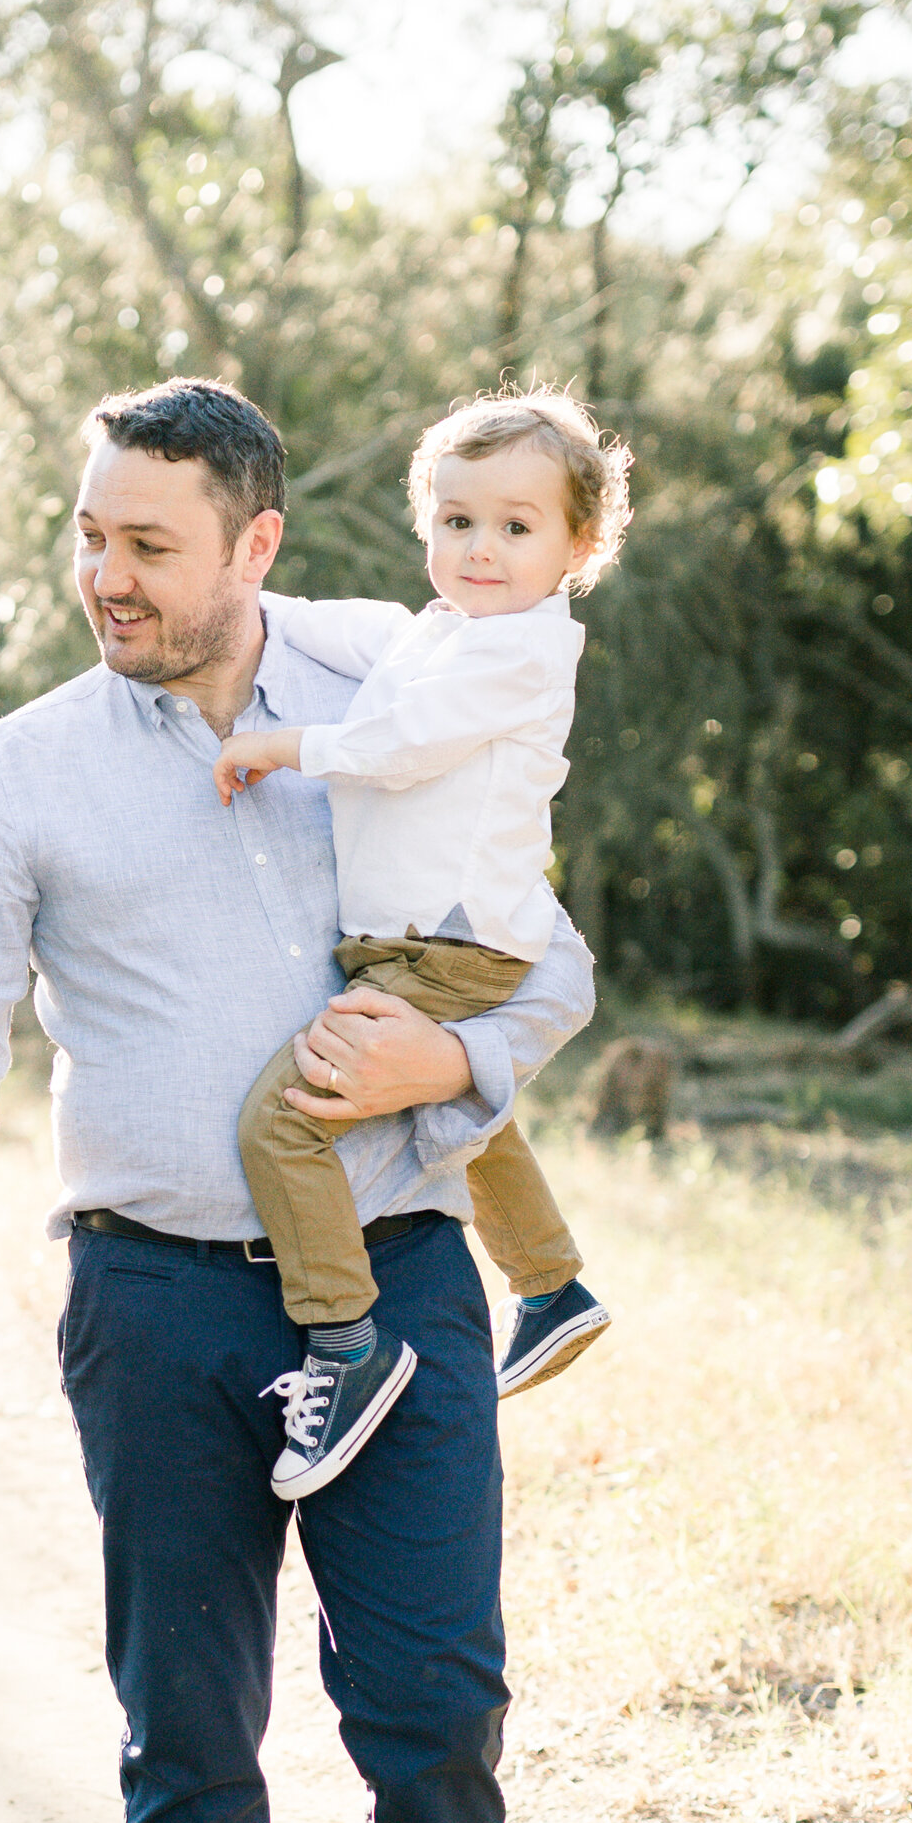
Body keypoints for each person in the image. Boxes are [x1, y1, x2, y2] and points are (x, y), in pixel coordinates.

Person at [0, 377, 591, 1823]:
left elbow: (547, 941)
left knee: (437, 1709)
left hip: (405, 1274)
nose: (106, 573)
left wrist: (462, 1053)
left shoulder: (399, 687)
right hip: (158, 1296)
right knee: (191, 1725)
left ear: (255, 545)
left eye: (146, 543)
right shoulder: (22, 771)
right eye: (89, 535)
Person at [217, 386, 624, 1500]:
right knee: (446, 1101)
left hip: (443, 946)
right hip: (423, 946)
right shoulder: (447, 633)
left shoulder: (522, 656)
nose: (479, 549)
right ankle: (550, 1287)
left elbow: (397, 745)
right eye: (455, 521)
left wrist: (276, 745)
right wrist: (243, 593)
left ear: (577, 545)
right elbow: (346, 627)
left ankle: (347, 1347)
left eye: (515, 525)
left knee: (282, 1129)